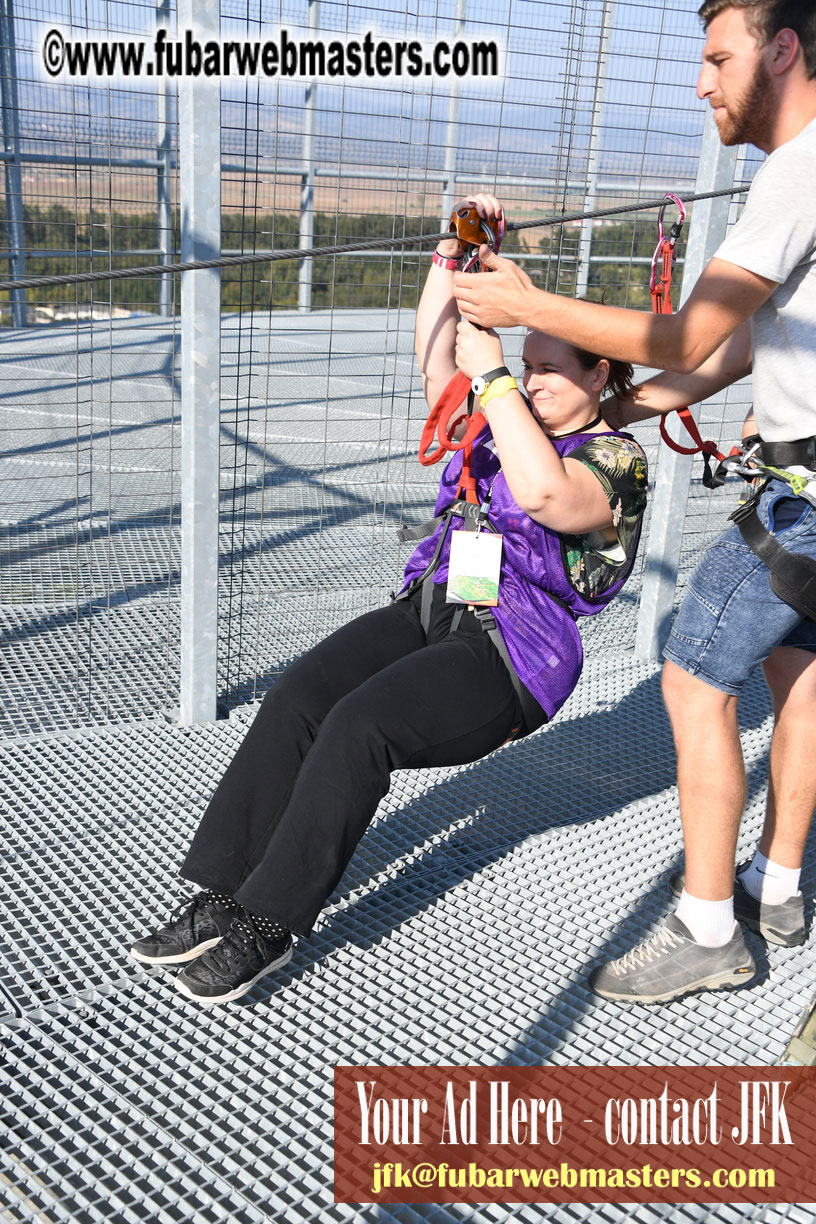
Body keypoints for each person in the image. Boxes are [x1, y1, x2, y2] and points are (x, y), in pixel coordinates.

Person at [129, 194, 648, 1004]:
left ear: (600, 374)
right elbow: (435, 357)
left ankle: (268, 922)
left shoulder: (615, 461)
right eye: (529, 363)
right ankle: (224, 894)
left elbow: (548, 496)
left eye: (551, 368)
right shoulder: (500, 410)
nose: (533, 380)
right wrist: (452, 254)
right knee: (299, 698)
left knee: (359, 727)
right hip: (438, 603)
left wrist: (497, 379)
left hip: (511, 651)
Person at [454, 0, 816, 1004]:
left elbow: (693, 334)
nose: (701, 83)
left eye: (719, 58)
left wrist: (524, 306)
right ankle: (778, 886)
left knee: (694, 680)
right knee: (798, 670)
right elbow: (743, 345)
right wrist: (629, 405)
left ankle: (709, 931)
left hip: (805, 499)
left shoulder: (797, 172)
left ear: (783, 51)